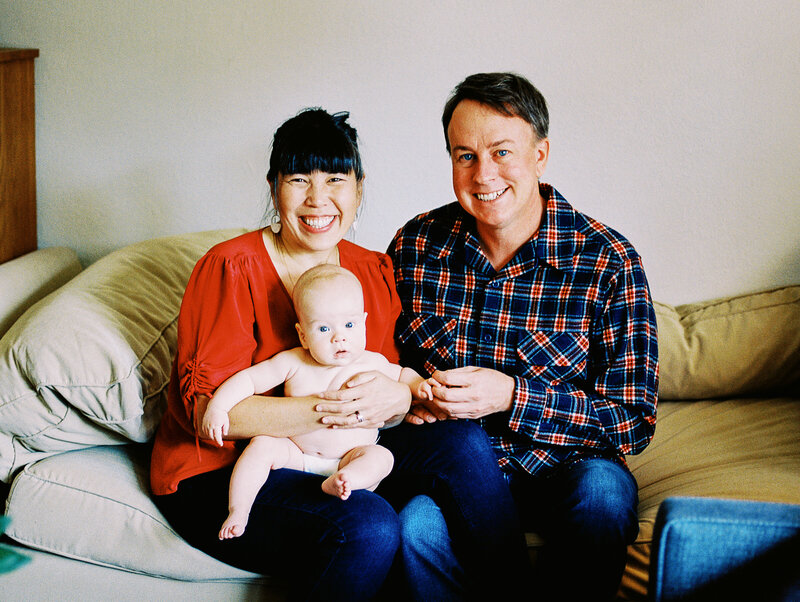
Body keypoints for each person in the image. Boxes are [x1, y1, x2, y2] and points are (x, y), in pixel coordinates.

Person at [149, 107, 527, 601]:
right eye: (298, 179)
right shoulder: (231, 268)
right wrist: (332, 409)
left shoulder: (370, 269)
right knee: (369, 525)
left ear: (359, 188)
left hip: (336, 450)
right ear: (273, 187)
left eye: (335, 179)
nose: (317, 199)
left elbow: (384, 379)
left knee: (461, 444)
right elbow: (210, 415)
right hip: (221, 470)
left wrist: (398, 397)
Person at [389, 72, 659, 601]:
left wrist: (514, 397)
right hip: (452, 472)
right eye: (464, 155)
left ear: (541, 155)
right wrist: (408, 395)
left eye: (501, 152)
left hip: (568, 469)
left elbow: (634, 421)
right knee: (414, 524)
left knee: (603, 496)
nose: (483, 173)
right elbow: (377, 362)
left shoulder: (607, 260)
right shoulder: (415, 245)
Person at [201, 264, 433, 539]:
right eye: (324, 328)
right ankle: (239, 509)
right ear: (303, 335)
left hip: (350, 456)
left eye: (349, 325)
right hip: (296, 455)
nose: (340, 337)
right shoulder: (294, 361)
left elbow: (405, 376)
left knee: (381, 457)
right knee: (261, 446)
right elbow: (248, 380)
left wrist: (421, 385)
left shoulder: (374, 363)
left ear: (363, 322)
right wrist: (218, 407)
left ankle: (346, 481)